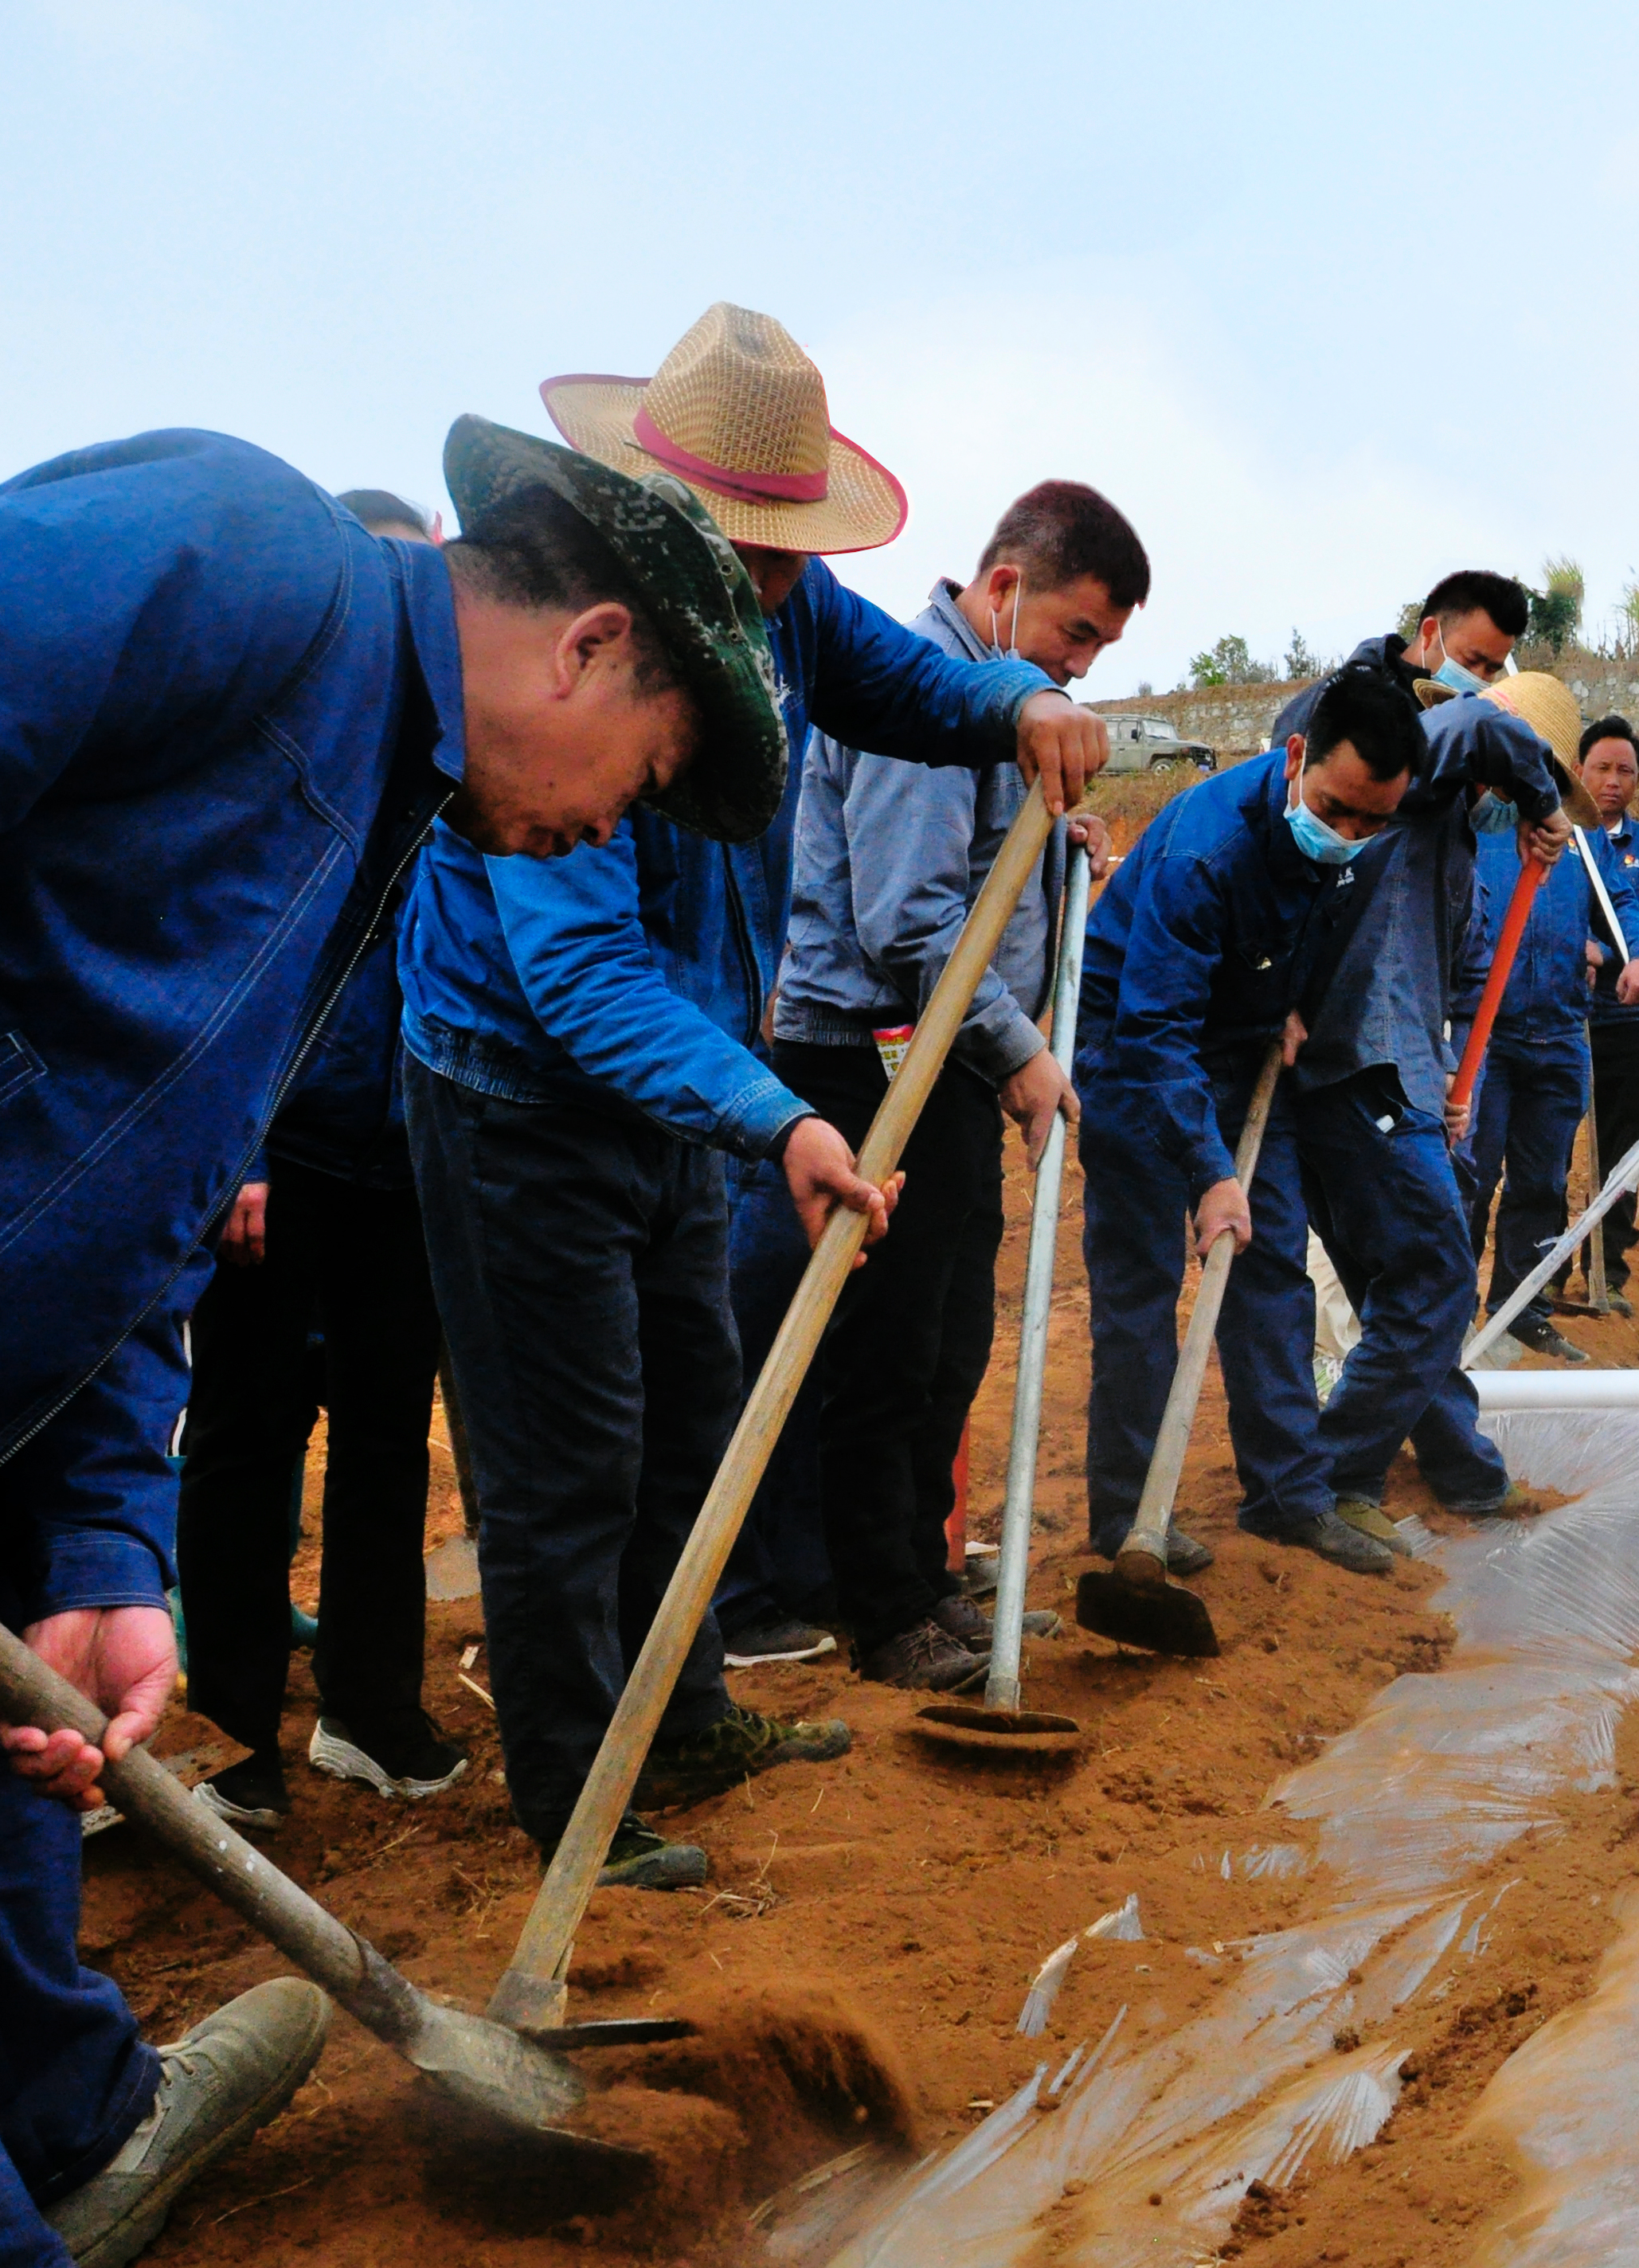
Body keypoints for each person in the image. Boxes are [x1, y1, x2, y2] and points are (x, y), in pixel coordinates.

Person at [1, 414, 769, 2268]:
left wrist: (100, 1541)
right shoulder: (243, 554)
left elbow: (144, 1188)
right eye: (645, 779)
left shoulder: (370, 813)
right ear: (586, 645)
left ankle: (76, 2121)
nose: (613, 830)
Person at [400, 304, 1110, 1891]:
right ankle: (579, 1795)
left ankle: (691, 1706)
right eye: (750, 551)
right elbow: (580, 980)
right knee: (565, 1454)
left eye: (791, 554)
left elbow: (915, 692)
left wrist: (1018, 702)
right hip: (519, 1097)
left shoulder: (789, 608)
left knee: (685, 1410)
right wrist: (782, 1115)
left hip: (686, 1087)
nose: (777, 584)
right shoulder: (570, 651)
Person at [765, 481, 1144, 1687]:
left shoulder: (1000, 712)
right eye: (1074, 634)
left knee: (947, 1338)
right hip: (874, 1054)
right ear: (1003, 588)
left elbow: (977, 867)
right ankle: (885, 1610)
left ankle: (925, 1579)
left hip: (946, 1060)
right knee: (888, 1345)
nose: (1079, 667)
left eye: (1100, 649)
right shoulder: (918, 696)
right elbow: (909, 923)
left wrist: (1053, 840)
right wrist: (1023, 1054)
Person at [174, 488, 466, 1833]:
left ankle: (368, 1707)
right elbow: (234, 964)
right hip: (276, 1149)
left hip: (400, 1151)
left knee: (388, 1435)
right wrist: (235, 1143)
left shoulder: (436, 768)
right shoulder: (289, 757)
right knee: (246, 1433)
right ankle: (228, 1736)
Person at [1077, 663, 1425, 1576]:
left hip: (1245, 1050)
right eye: (1337, 809)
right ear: (1295, 754)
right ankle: (1127, 1522)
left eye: (1371, 822)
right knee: (1142, 1292)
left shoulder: (1355, 834)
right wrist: (1207, 1170)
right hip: (1133, 1059)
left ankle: (1289, 1497)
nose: (1348, 835)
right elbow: (1154, 1032)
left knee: (1271, 1270)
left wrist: (1292, 1002)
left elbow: (1318, 924)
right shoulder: (1205, 849)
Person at [1275, 590, 1575, 1536]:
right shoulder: (1395, 730)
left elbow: (1462, 966)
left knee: (1394, 1283)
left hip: (1387, 1066)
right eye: (1478, 662)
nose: (1481, 683)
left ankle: (1462, 1467)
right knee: (1439, 1276)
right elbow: (1479, 729)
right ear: (1434, 638)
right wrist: (1539, 796)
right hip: (1359, 1062)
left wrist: (1457, 1082)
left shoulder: (1444, 813)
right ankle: (1333, 1475)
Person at [1453, 745, 1639, 1366]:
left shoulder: (1583, 845)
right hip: (1487, 1037)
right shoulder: (1471, 832)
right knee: (1470, 1180)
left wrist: (1632, 953)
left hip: (1561, 1034)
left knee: (1542, 1184)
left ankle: (1521, 1314)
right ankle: (1448, 1320)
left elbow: (1622, 907)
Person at [1569, 717, 1639, 1309]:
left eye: (1625, 772)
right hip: (1563, 1018)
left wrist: (1608, 952)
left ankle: (1606, 1266)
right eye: (1601, 769)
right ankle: (1546, 1273)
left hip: (1628, 1019)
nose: (1612, 782)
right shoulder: (1560, 836)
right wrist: (1573, 947)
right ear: (1577, 772)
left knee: (1622, 1150)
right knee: (1551, 1152)